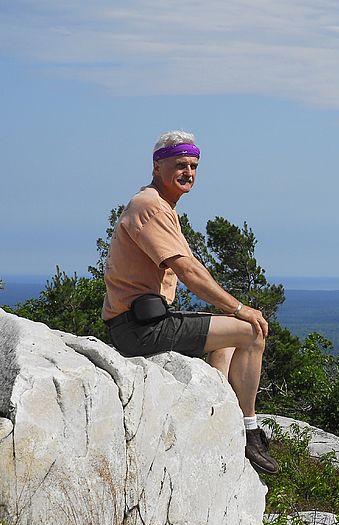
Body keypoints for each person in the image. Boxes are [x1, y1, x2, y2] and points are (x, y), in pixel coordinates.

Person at [102, 130, 279, 474]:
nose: (188, 172)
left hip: (142, 322)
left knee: (227, 344)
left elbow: (190, 267)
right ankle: (249, 431)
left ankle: (218, 419)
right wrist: (239, 308)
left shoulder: (158, 205)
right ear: (157, 166)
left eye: (194, 166)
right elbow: (187, 270)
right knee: (251, 331)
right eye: (180, 164)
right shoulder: (151, 207)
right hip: (140, 329)